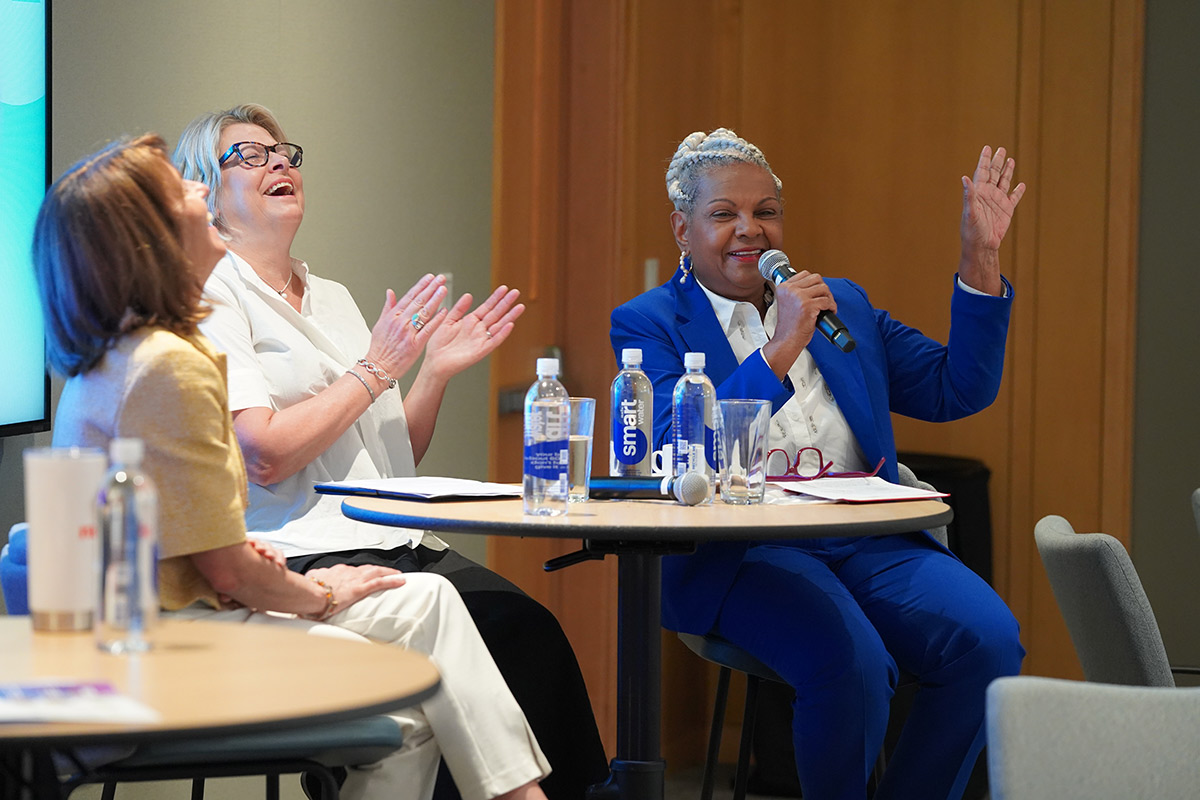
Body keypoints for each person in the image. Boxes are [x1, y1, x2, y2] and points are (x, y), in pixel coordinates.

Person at [36, 134, 552, 800]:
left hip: (171, 618)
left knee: (417, 649)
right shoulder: (171, 363)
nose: (201, 193)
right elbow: (231, 545)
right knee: (415, 654)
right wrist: (322, 592)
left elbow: (187, 534)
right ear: (149, 240)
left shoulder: (124, 356)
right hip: (171, 646)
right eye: (183, 190)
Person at [172, 104, 608, 800]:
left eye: (284, 150)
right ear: (205, 191)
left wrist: (430, 371)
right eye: (249, 156)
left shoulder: (334, 297)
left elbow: (388, 457)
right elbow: (265, 456)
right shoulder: (214, 297)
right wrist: (374, 368)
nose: (279, 162)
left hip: (386, 533)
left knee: (530, 632)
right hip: (295, 548)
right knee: (476, 635)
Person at [609, 128, 1027, 800]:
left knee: (988, 642)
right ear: (681, 229)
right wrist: (778, 348)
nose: (750, 230)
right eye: (724, 215)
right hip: (743, 549)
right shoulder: (649, 321)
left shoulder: (842, 304)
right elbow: (675, 450)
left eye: (766, 211)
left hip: (866, 537)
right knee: (851, 660)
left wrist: (980, 257)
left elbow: (958, 388)